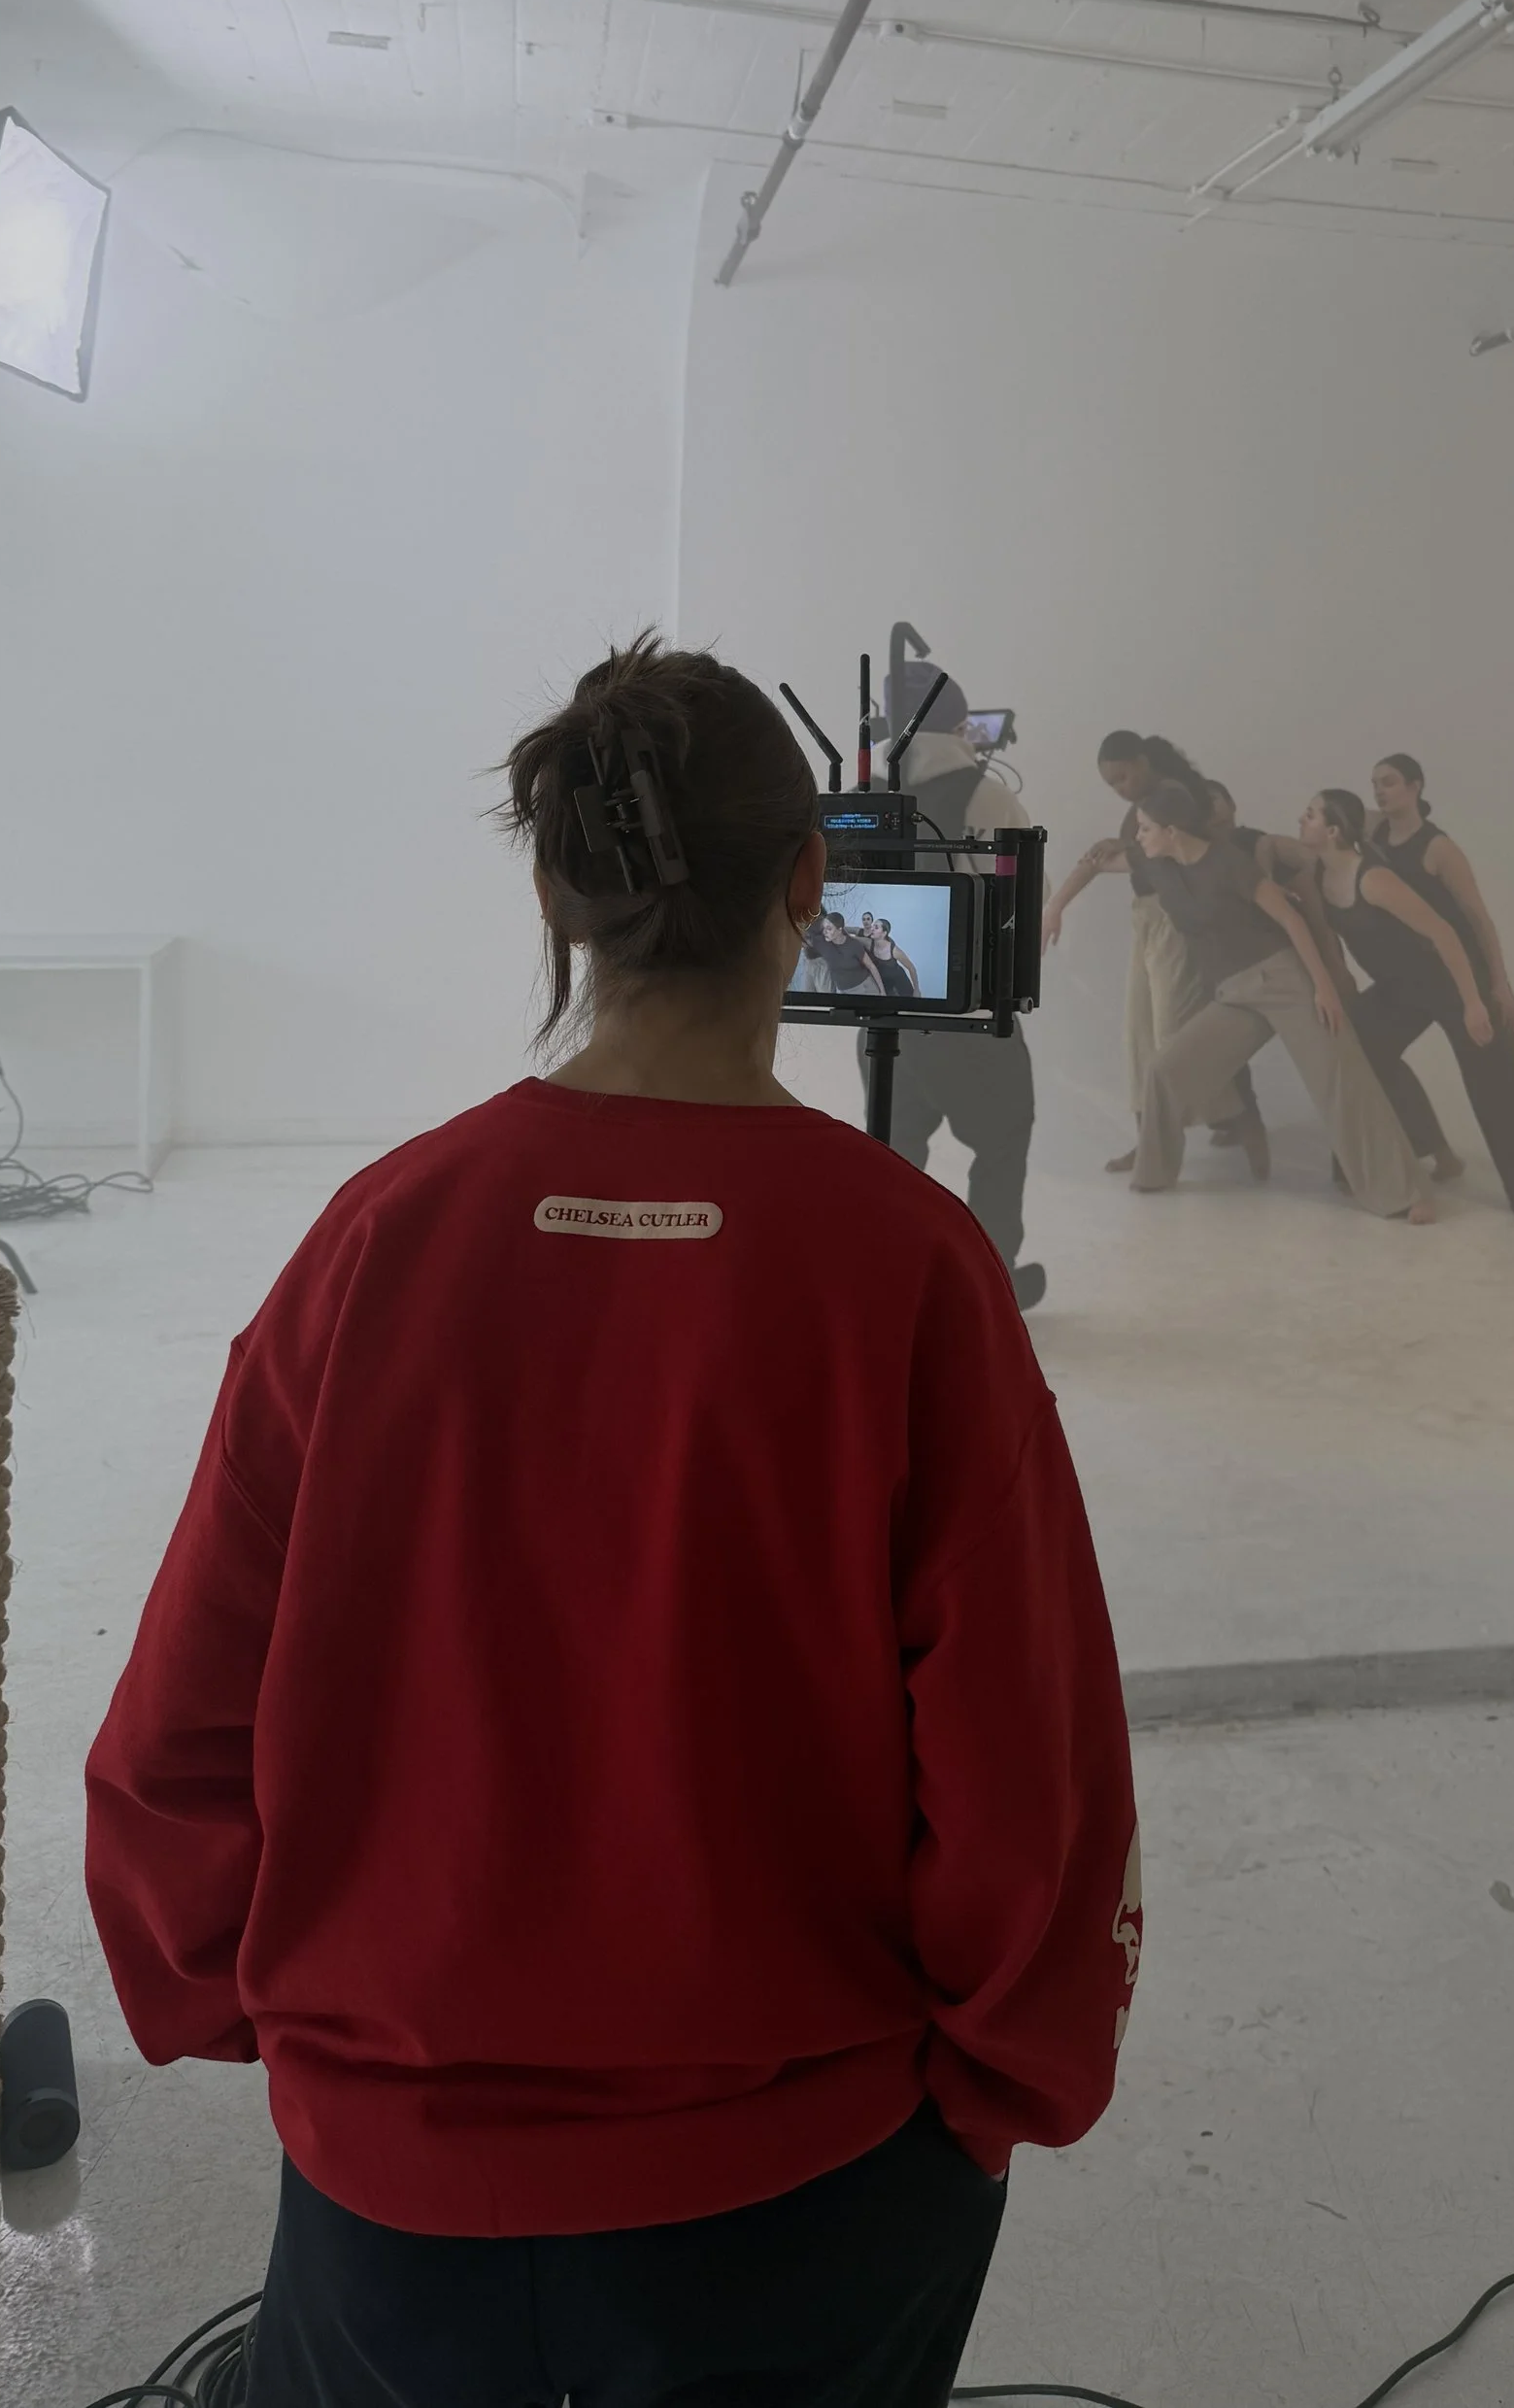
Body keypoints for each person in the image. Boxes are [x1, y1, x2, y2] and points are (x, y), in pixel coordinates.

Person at [85, 635, 1139, 2408]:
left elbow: (180, 1719)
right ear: (811, 880)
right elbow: (1027, 1775)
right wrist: (1000, 2084)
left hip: (387, 2190)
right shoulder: (914, 1272)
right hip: (810, 2193)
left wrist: (255, 2008)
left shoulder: (377, 1238)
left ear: (560, 898)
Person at [1128, 781, 1432, 1220]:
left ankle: (1405, 1193)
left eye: (1144, 828)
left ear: (1172, 829)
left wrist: (1323, 986)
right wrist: (1054, 906)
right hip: (1234, 995)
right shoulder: (1156, 863)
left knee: (1342, 1082)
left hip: (1284, 981)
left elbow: (1290, 919)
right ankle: (1153, 1174)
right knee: (1164, 1070)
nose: (1138, 836)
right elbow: (1107, 858)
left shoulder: (1229, 863)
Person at [1302, 790, 1514, 1219]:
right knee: (1354, 1048)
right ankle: (1375, 1169)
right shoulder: (1320, 879)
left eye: (1310, 815)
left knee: (1491, 1081)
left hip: (1446, 982)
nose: (1300, 820)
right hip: (1398, 987)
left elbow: (1444, 933)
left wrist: (1473, 1003)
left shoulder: (1374, 879)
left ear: (1334, 831)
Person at [863, 658, 1047, 1312]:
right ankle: (991, 1283)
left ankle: (882, 1279)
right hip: (964, 1013)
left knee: (893, 1151)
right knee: (1003, 1137)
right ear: (961, 720)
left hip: (882, 1008)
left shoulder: (866, 789)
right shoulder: (986, 794)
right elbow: (1020, 905)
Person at [1370, 753, 1514, 1202]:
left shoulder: (1440, 849)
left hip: (1466, 977)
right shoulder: (1374, 830)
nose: (1380, 790)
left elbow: (1480, 920)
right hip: (1415, 979)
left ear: (1416, 786)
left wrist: (1499, 987)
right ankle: (1434, 1150)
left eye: (1390, 782)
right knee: (1369, 1047)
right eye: (1375, 782)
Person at [1042, 731, 1256, 1174]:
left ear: (1141, 761)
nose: (1120, 788)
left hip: (1172, 921)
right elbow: (1116, 857)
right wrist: (1056, 905)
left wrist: (1065, 898)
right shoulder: (1151, 800)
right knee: (1142, 1038)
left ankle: (1228, 1119)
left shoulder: (1170, 796)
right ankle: (1164, 1138)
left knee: (1172, 1040)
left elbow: (1151, 852)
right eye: (1112, 784)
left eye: (1122, 776)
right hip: (1148, 918)